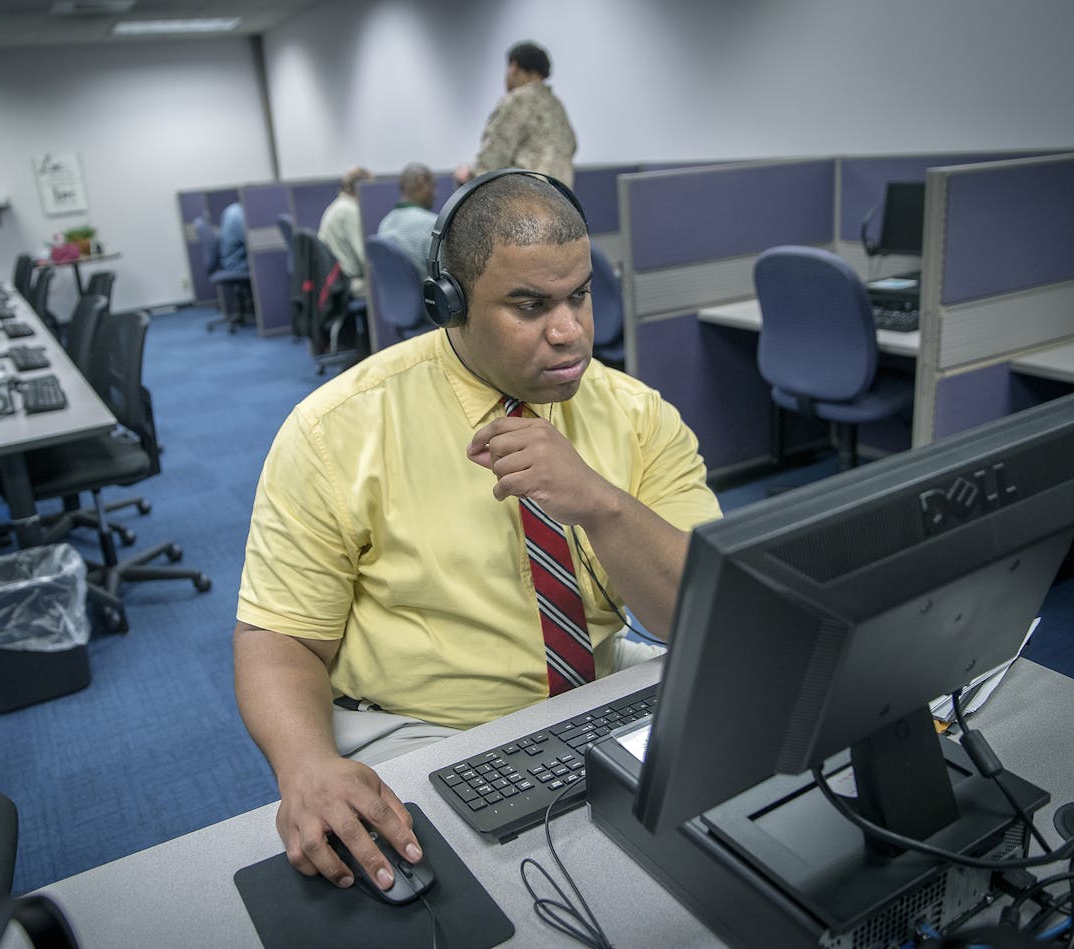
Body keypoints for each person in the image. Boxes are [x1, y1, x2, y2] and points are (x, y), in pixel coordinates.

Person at [234, 171, 720, 893]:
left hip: (597, 693)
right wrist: (305, 764)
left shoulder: (637, 416)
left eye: (579, 295)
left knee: (718, 864)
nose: (571, 330)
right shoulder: (337, 431)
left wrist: (599, 502)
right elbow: (280, 640)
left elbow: (697, 617)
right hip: (424, 728)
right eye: (530, 305)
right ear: (449, 304)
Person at [456, 41, 577, 188]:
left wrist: (466, 175)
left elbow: (491, 161)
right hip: (562, 202)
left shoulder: (517, 101)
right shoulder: (558, 108)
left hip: (525, 199)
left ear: (514, 66)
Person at [318, 166, 373, 298]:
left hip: (335, 280)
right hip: (350, 283)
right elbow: (364, 257)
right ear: (360, 187)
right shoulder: (350, 211)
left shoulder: (338, 205)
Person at [375, 163, 437, 279]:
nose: (435, 194)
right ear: (421, 183)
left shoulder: (384, 224)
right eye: (433, 186)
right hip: (426, 296)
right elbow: (445, 274)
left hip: (393, 297)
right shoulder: (432, 225)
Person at [215, 202, 249, 278]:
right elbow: (251, 242)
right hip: (237, 264)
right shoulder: (237, 215)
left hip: (229, 261)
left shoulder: (231, 210)